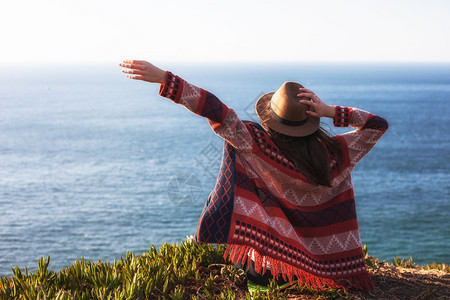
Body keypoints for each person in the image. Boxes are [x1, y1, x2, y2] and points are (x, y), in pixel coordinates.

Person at [119, 60, 388, 292]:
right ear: (311, 120)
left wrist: (167, 80)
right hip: (330, 264)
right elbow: (377, 125)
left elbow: (217, 112)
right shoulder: (338, 153)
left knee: (225, 192)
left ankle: (264, 277)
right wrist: (331, 111)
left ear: (271, 118)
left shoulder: (257, 144)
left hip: (273, 266)